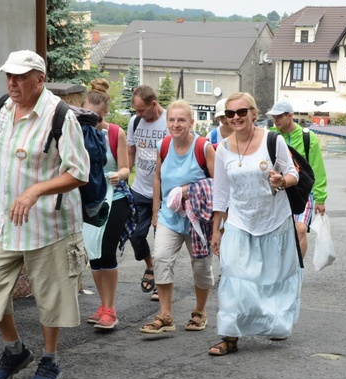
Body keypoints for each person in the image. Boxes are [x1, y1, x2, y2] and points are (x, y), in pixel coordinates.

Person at [0, 50, 90, 379]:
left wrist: (36, 190)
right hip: (3, 222)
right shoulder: (2, 108)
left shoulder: (60, 116)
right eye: (9, 75)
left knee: (50, 296)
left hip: (48, 224)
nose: (13, 82)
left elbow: (79, 173)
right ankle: (15, 351)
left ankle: (50, 359)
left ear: (39, 79)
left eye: (21, 76)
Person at [209, 92, 301, 356]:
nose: (236, 117)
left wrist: (281, 181)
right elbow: (221, 193)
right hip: (239, 221)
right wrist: (216, 230)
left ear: (253, 113)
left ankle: (273, 323)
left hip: (274, 220)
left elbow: (293, 173)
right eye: (230, 113)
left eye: (241, 112)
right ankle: (229, 336)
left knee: (272, 279)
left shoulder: (273, 140)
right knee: (233, 278)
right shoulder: (223, 148)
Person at [139, 100, 216, 334]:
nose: (176, 124)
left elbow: (219, 184)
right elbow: (157, 178)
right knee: (161, 257)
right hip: (169, 216)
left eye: (181, 120)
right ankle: (165, 315)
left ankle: (200, 311)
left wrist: (188, 191)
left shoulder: (203, 147)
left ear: (192, 122)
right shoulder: (163, 145)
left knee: (201, 267)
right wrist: (155, 211)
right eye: (171, 120)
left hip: (199, 220)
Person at [82, 79, 134, 330]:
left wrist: (119, 174)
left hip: (114, 197)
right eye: (87, 114)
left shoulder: (115, 133)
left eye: (96, 115)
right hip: (90, 199)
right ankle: (103, 305)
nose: (92, 119)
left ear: (104, 113)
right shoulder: (77, 131)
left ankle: (110, 308)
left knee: (106, 250)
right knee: (93, 254)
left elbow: (125, 167)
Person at [267, 100, 328, 258]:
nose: (276, 120)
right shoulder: (270, 136)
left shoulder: (308, 137)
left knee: (300, 228)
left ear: (290, 116)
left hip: (303, 191)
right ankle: (281, 268)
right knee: (279, 232)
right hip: (279, 191)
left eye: (279, 116)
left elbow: (317, 169)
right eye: (274, 117)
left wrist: (320, 198)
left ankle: (297, 270)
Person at [127, 85, 168, 301]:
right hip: (140, 189)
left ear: (154, 104)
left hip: (164, 193)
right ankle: (149, 265)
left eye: (142, 110)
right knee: (135, 235)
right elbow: (131, 150)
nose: (139, 115)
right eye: (136, 111)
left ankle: (160, 283)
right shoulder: (135, 122)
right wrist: (125, 176)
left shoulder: (170, 121)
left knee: (161, 242)